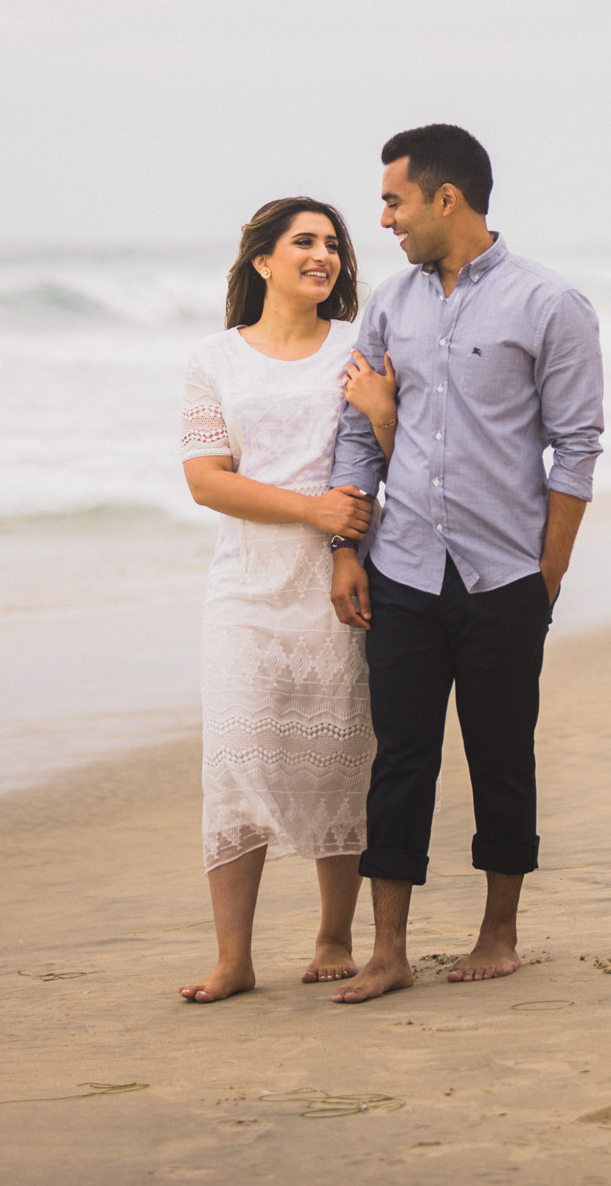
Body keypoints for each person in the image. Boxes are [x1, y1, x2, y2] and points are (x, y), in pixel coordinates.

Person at [325, 125, 605, 1003]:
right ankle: (389, 949)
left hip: (503, 577)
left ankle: (498, 931)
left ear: (447, 199)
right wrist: (346, 547)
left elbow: (577, 449)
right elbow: (354, 434)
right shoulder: (390, 307)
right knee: (400, 757)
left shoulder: (550, 304)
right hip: (403, 566)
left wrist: (547, 575)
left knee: (500, 754)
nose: (382, 220)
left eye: (394, 201)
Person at [176, 196, 399, 1003]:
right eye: (304, 241)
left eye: (333, 244)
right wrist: (310, 509)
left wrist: (382, 413)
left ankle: (334, 932)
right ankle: (234, 957)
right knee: (235, 759)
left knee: (339, 754)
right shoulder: (214, 358)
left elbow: (393, 448)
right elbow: (206, 479)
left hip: (340, 583)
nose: (324, 255)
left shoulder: (359, 345)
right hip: (244, 588)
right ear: (262, 259)